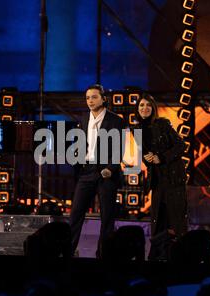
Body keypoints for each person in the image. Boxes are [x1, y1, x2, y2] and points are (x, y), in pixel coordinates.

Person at [70, 84, 125, 258]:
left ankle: (104, 255)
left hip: (106, 173)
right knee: (76, 213)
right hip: (87, 171)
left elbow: (119, 148)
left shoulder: (115, 120)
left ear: (103, 99)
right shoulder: (84, 118)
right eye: (87, 98)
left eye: (94, 97)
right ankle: (68, 252)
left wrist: (111, 168)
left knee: (107, 217)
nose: (90, 101)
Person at [134, 93, 188, 261]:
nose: (145, 108)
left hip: (173, 179)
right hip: (157, 180)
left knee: (175, 218)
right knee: (158, 219)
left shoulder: (163, 124)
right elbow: (144, 155)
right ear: (137, 109)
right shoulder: (137, 130)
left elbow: (181, 145)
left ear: (153, 108)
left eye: (148, 105)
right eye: (142, 105)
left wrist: (161, 157)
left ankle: (178, 256)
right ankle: (158, 254)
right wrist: (148, 158)